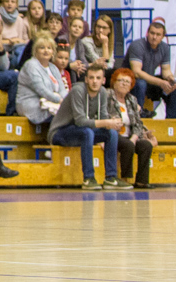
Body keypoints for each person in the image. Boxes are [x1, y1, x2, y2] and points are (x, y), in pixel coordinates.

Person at [48, 62, 125, 191]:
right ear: (86, 79)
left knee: (111, 133)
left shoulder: (103, 92)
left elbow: (103, 117)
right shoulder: (78, 90)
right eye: (91, 78)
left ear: (103, 80)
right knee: (87, 132)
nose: (94, 81)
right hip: (60, 132)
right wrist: (106, 123)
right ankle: (89, 178)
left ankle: (111, 178)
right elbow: (80, 121)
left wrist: (112, 122)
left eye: (98, 78)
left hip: (82, 131)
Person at [109, 67, 157, 189]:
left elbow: (138, 123)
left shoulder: (132, 100)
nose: (124, 84)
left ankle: (142, 181)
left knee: (146, 145)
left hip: (130, 136)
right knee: (128, 145)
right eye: (121, 80)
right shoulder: (107, 96)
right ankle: (125, 179)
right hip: (113, 135)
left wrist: (134, 138)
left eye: (127, 82)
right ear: (114, 82)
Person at [126, 19, 176, 120]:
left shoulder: (165, 47)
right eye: (152, 33)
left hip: (149, 81)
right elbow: (137, 72)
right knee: (141, 83)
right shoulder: (137, 45)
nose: (154, 37)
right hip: (130, 81)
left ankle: (172, 120)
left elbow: (166, 71)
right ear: (147, 33)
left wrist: (171, 79)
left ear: (163, 36)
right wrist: (161, 82)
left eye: (158, 34)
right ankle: (139, 117)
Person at [16, 35, 67, 129]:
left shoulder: (53, 68)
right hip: (32, 105)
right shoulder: (31, 65)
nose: (46, 50)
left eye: (49, 48)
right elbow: (41, 89)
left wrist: (66, 100)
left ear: (53, 51)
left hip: (51, 103)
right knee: (64, 116)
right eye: (42, 48)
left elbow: (62, 89)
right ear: (36, 51)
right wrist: (59, 100)